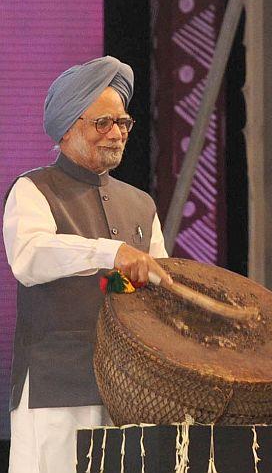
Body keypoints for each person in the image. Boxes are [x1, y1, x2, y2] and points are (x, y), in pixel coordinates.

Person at [3, 56, 173, 473]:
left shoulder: (141, 203)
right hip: (57, 388)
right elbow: (30, 257)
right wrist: (108, 253)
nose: (116, 133)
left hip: (131, 393)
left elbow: (162, 287)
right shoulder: (33, 188)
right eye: (103, 123)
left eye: (123, 123)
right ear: (67, 129)